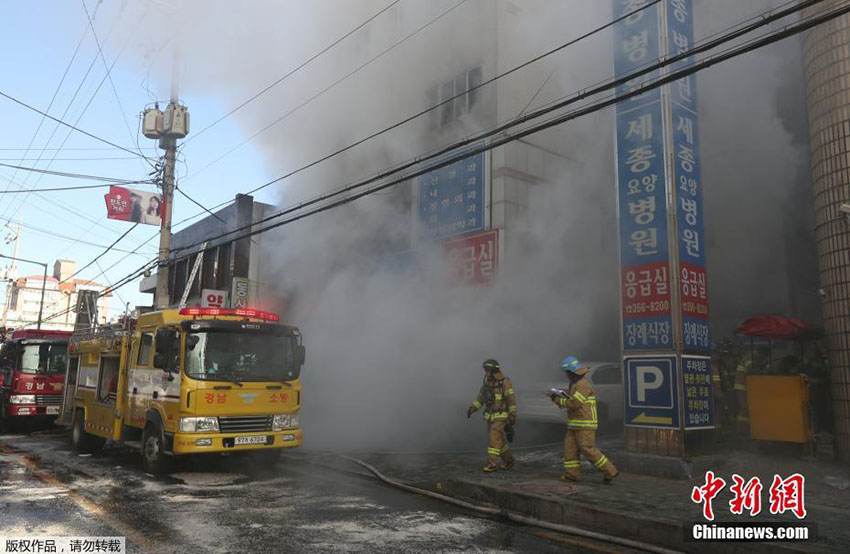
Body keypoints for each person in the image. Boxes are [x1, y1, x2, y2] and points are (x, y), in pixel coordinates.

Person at [550, 356, 618, 483]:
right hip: (574, 424)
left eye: (567, 372)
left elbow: (574, 403)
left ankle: (610, 471)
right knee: (570, 450)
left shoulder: (582, 384)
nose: (566, 375)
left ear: (571, 371)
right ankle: (572, 475)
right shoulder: (575, 383)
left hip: (585, 425)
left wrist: (557, 400)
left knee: (588, 449)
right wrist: (562, 394)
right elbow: (573, 399)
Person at [467, 359, 517, 473]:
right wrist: (473, 408)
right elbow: (481, 399)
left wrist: (512, 414)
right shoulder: (487, 384)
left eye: (487, 370)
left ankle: (492, 464)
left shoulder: (504, 382)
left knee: (494, 438)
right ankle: (509, 461)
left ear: (493, 370)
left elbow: (511, 399)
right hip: (490, 416)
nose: (485, 373)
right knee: (500, 440)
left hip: (501, 416)